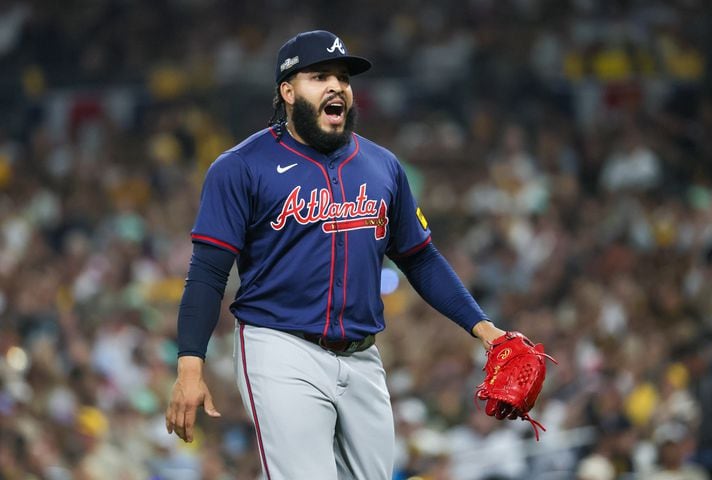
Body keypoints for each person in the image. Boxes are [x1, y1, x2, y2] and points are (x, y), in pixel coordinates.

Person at [165, 30, 507, 479]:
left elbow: (419, 257)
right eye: (319, 75)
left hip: (363, 354)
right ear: (287, 92)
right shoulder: (241, 166)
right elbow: (208, 273)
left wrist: (483, 327)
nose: (337, 86)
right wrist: (190, 363)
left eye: (343, 78)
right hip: (280, 346)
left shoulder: (382, 166)